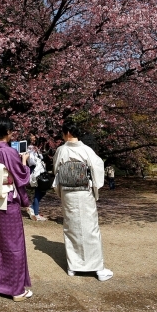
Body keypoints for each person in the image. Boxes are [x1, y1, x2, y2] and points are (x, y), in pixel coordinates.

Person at [53, 120, 113, 282]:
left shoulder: (61, 150)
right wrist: (95, 186)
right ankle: (97, 269)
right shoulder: (87, 150)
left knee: (71, 227)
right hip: (84, 192)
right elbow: (97, 167)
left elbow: (56, 170)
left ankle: (73, 266)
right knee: (90, 228)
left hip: (68, 193)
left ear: (66, 133)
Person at [0, 117, 33, 302]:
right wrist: (25, 162)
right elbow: (22, 177)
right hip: (8, 202)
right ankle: (16, 289)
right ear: (8, 132)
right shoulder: (9, 152)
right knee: (14, 245)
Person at [26, 134, 48, 222]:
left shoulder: (35, 148)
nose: (34, 138)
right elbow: (31, 161)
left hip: (40, 170)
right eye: (31, 137)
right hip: (35, 171)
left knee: (42, 190)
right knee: (39, 191)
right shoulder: (29, 149)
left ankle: (32, 208)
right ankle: (35, 213)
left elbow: (41, 158)